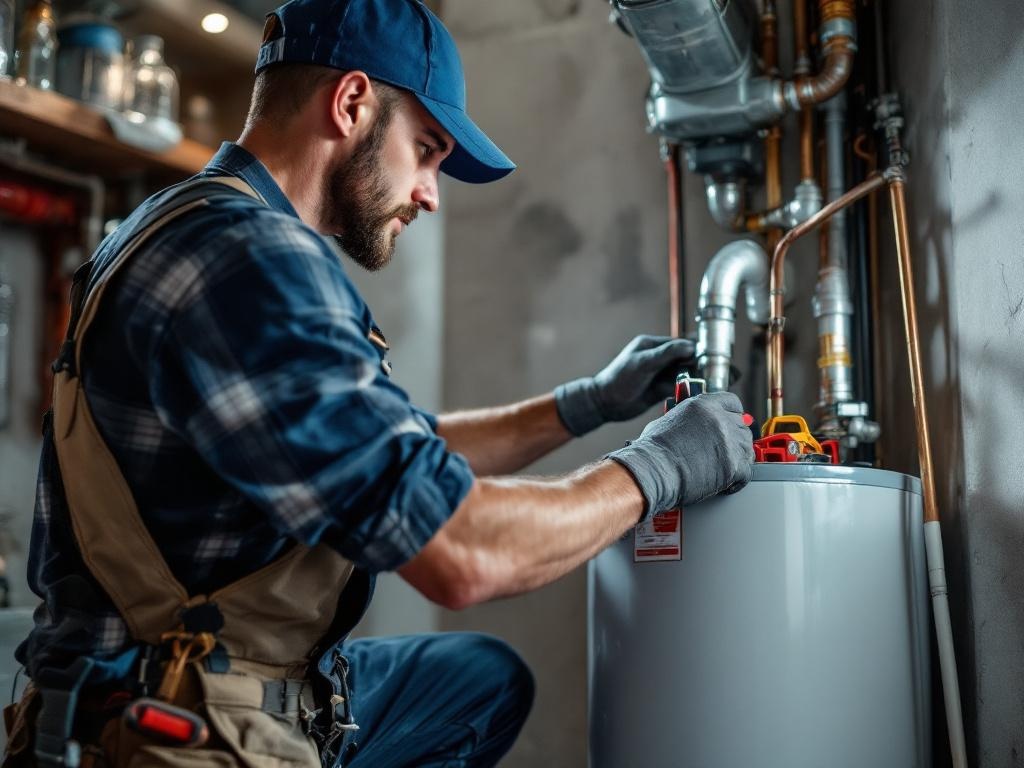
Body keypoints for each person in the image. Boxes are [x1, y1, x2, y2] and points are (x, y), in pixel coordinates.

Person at [7, 1, 754, 766]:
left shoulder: (190, 222)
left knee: (475, 679)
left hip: (158, 673)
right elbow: (460, 553)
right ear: (352, 102)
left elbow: (390, 448)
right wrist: (658, 467)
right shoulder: (251, 261)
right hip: (159, 714)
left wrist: (586, 404)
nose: (431, 192)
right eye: (426, 150)